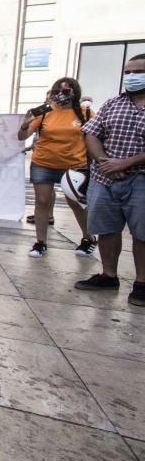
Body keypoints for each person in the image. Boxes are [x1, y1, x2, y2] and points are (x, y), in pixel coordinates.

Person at [74, 55, 145, 306]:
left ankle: (142, 283)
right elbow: (92, 134)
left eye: (138, 71)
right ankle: (108, 275)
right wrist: (105, 162)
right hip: (105, 178)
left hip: (140, 179)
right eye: (128, 72)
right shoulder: (113, 103)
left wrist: (124, 163)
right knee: (107, 228)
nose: (132, 76)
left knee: (142, 233)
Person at [17, 77, 95, 258]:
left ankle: (88, 238)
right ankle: (40, 242)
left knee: (75, 203)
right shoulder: (45, 111)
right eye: (57, 91)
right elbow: (22, 137)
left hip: (74, 165)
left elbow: (96, 136)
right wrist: (25, 122)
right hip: (44, 163)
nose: (61, 94)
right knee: (42, 202)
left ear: (75, 93)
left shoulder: (85, 112)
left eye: (66, 91)